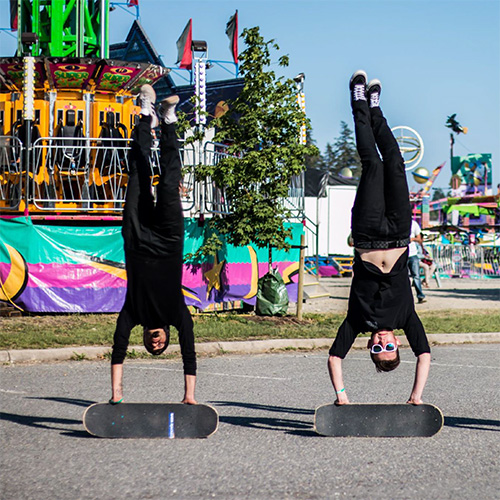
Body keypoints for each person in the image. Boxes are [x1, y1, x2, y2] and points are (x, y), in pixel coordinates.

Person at [327, 71, 431, 406]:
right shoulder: (406, 320)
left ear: (370, 346)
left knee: (373, 164)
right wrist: (416, 397)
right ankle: (375, 108)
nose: (382, 342)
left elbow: (334, 358)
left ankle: (358, 99)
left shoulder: (357, 322)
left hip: (369, 233)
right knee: (396, 164)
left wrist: (342, 397)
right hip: (400, 231)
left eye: (376, 349)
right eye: (388, 348)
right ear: (398, 344)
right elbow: (426, 354)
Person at [110, 85, 197, 405]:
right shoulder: (176, 313)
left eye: (151, 347)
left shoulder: (133, 314)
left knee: (139, 173)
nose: (157, 345)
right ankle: (170, 121)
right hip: (170, 240)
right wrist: (189, 397)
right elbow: (189, 350)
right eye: (161, 347)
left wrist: (116, 393)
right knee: (171, 180)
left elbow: (119, 348)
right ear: (166, 337)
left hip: (135, 239)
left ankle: (146, 116)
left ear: (146, 338)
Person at [408, 218, 426, 303]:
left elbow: (419, 239)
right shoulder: (398, 221)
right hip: (401, 253)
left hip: (412, 254)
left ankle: (420, 295)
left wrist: (412, 239)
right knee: (403, 277)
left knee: (416, 276)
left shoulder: (413, 224)